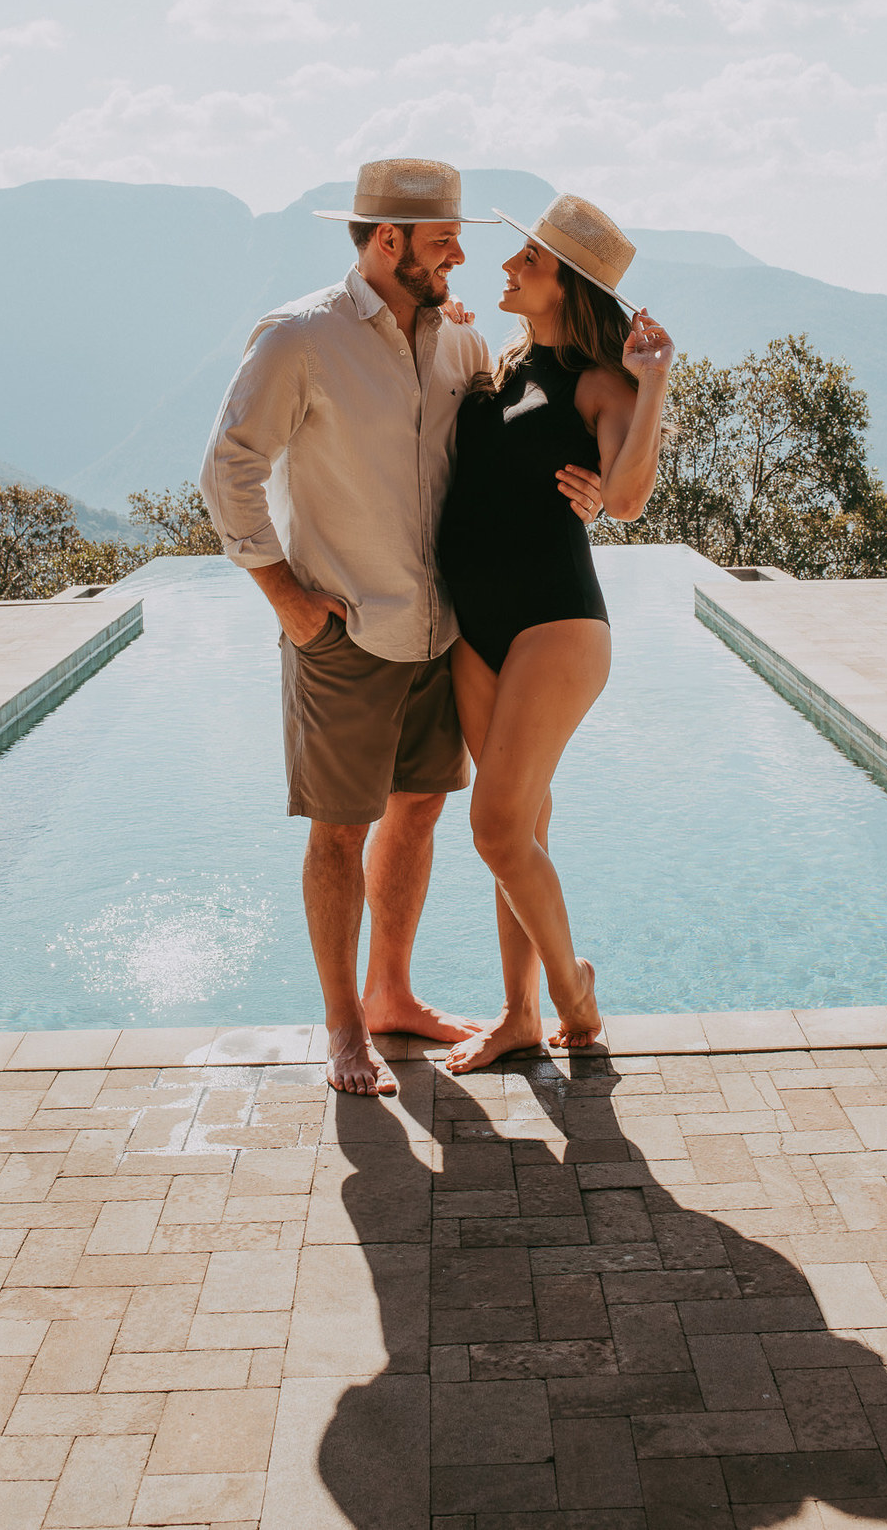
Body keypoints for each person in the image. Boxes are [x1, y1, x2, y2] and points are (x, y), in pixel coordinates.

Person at [199, 159, 603, 1097]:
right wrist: (287, 599)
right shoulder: (301, 337)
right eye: (443, 240)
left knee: (419, 813)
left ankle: (392, 995)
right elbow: (229, 471)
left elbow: (517, 443)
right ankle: (345, 1030)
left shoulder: (457, 344)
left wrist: (592, 491)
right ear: (389, 242)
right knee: (341, 832)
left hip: (442, 633)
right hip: (345, 632)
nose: (463, 254)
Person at [437, 194, 675, 1072]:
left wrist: (652, 381)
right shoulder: (503, 367)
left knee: (496, 829)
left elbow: (623, 499)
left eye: (527, 260)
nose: (507, 267)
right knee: (522, 827)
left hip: (554, 620)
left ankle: (575, 999)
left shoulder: (598, 383)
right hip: (477, 625)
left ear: (566, 284)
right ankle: (518, 1015)